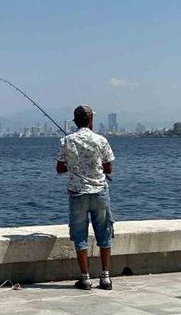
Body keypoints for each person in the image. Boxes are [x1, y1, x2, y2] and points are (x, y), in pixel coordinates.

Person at [56, 105, 115, 290]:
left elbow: (59, 169)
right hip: (99, 192)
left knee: (80, 236)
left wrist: (72, 168)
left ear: (75, 121)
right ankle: (105, 278)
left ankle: (85, 278)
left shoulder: (66, 141)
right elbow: (108, 169)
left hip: (77, 194)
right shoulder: (101, 140)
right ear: (90, 120)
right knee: (104, 233)